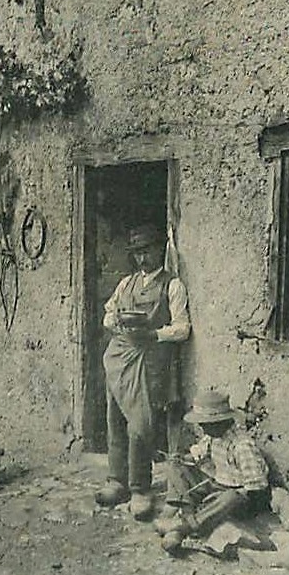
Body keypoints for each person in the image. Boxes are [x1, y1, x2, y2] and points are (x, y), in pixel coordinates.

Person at [95, 223, 191, 521]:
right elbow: (109, 314)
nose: (142, 258)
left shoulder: (172, 286)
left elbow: (183, 329)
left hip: (148, 360)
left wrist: (154, 335)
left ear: (159, 249)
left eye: (147, 251)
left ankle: (140, 488)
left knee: (140, 425)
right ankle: (116, 480)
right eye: (137, 253)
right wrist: (116, 323)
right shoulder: (126, 284)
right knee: (114, 419)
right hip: (119, 358)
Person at [154, 389, 270, 555]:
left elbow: (257, 485)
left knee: (231, 497)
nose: (201, 428)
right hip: (217, 485)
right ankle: (185, 515)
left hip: (242, 499)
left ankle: (185, 527)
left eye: (205, 424)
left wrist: (226, 495)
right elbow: (198, 456)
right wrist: (182, 458)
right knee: (175, 466)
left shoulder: (242, 445)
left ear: (220, 422)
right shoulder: (213, 437)